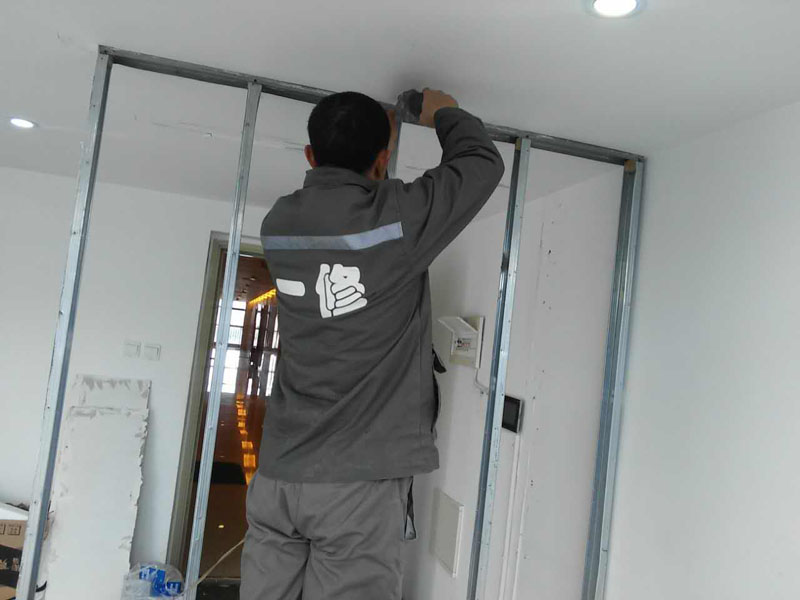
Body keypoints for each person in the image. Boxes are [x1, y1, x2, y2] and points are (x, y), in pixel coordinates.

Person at [241, 88, 504, 600]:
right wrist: (442, 110)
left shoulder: (279, 224)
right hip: (355, 484)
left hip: (279, 476)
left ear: (310, 156)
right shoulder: (397, 221)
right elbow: (480, 164)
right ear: (383, 159)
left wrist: (377, 150)